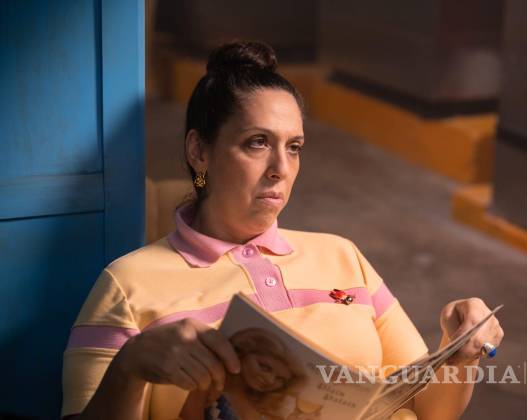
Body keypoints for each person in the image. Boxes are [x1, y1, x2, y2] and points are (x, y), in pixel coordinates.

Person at [61, 41, 504, 420]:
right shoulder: (127, 284)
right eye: (257, 142)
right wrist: (129, 367)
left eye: (293, 147)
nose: (281, 168)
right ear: (199, 151)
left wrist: (458, 350)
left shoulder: (342, 256)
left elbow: (430, 409)